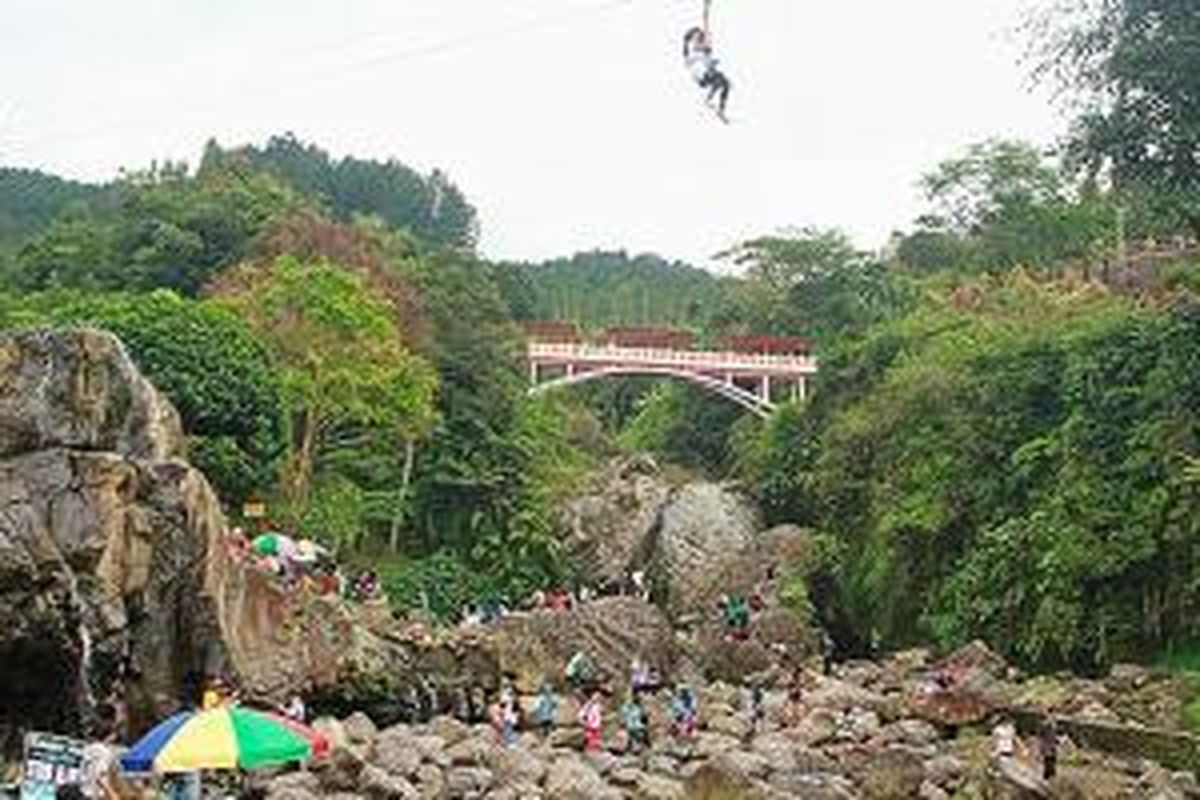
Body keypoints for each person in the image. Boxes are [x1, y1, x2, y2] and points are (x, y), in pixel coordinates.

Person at [682, 23, 731, 120]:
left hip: (708, 72)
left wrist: (713, 62)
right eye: (696, 37)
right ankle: (710, 99)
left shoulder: (705, 48)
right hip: (701, 76)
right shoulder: (691, 51)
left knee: (726, 84)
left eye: (700, 37)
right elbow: (689, 57)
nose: (699, 39)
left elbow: (706, 31)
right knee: (718, 79)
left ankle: (719, 108)